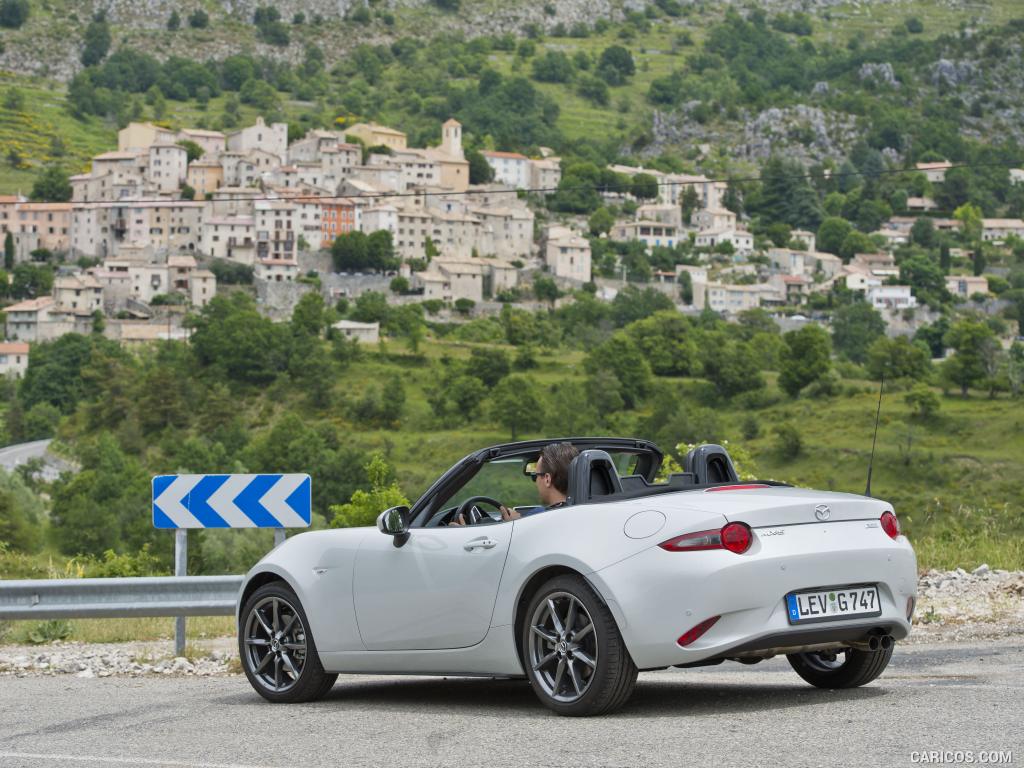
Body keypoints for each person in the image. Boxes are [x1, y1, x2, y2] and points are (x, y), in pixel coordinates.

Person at [449, 442, 579, 525]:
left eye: (535, 476)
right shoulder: (584, 511)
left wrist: (514, 525)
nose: (535, 482)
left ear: (547, 479)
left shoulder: (538, 517)